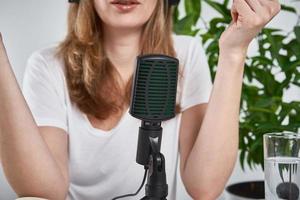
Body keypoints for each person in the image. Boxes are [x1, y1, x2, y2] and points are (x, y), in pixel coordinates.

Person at [0, 0, 281, 199]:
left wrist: (234, 52)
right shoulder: (48, 65)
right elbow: (42, 193)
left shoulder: (186, 54)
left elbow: (204, 187)